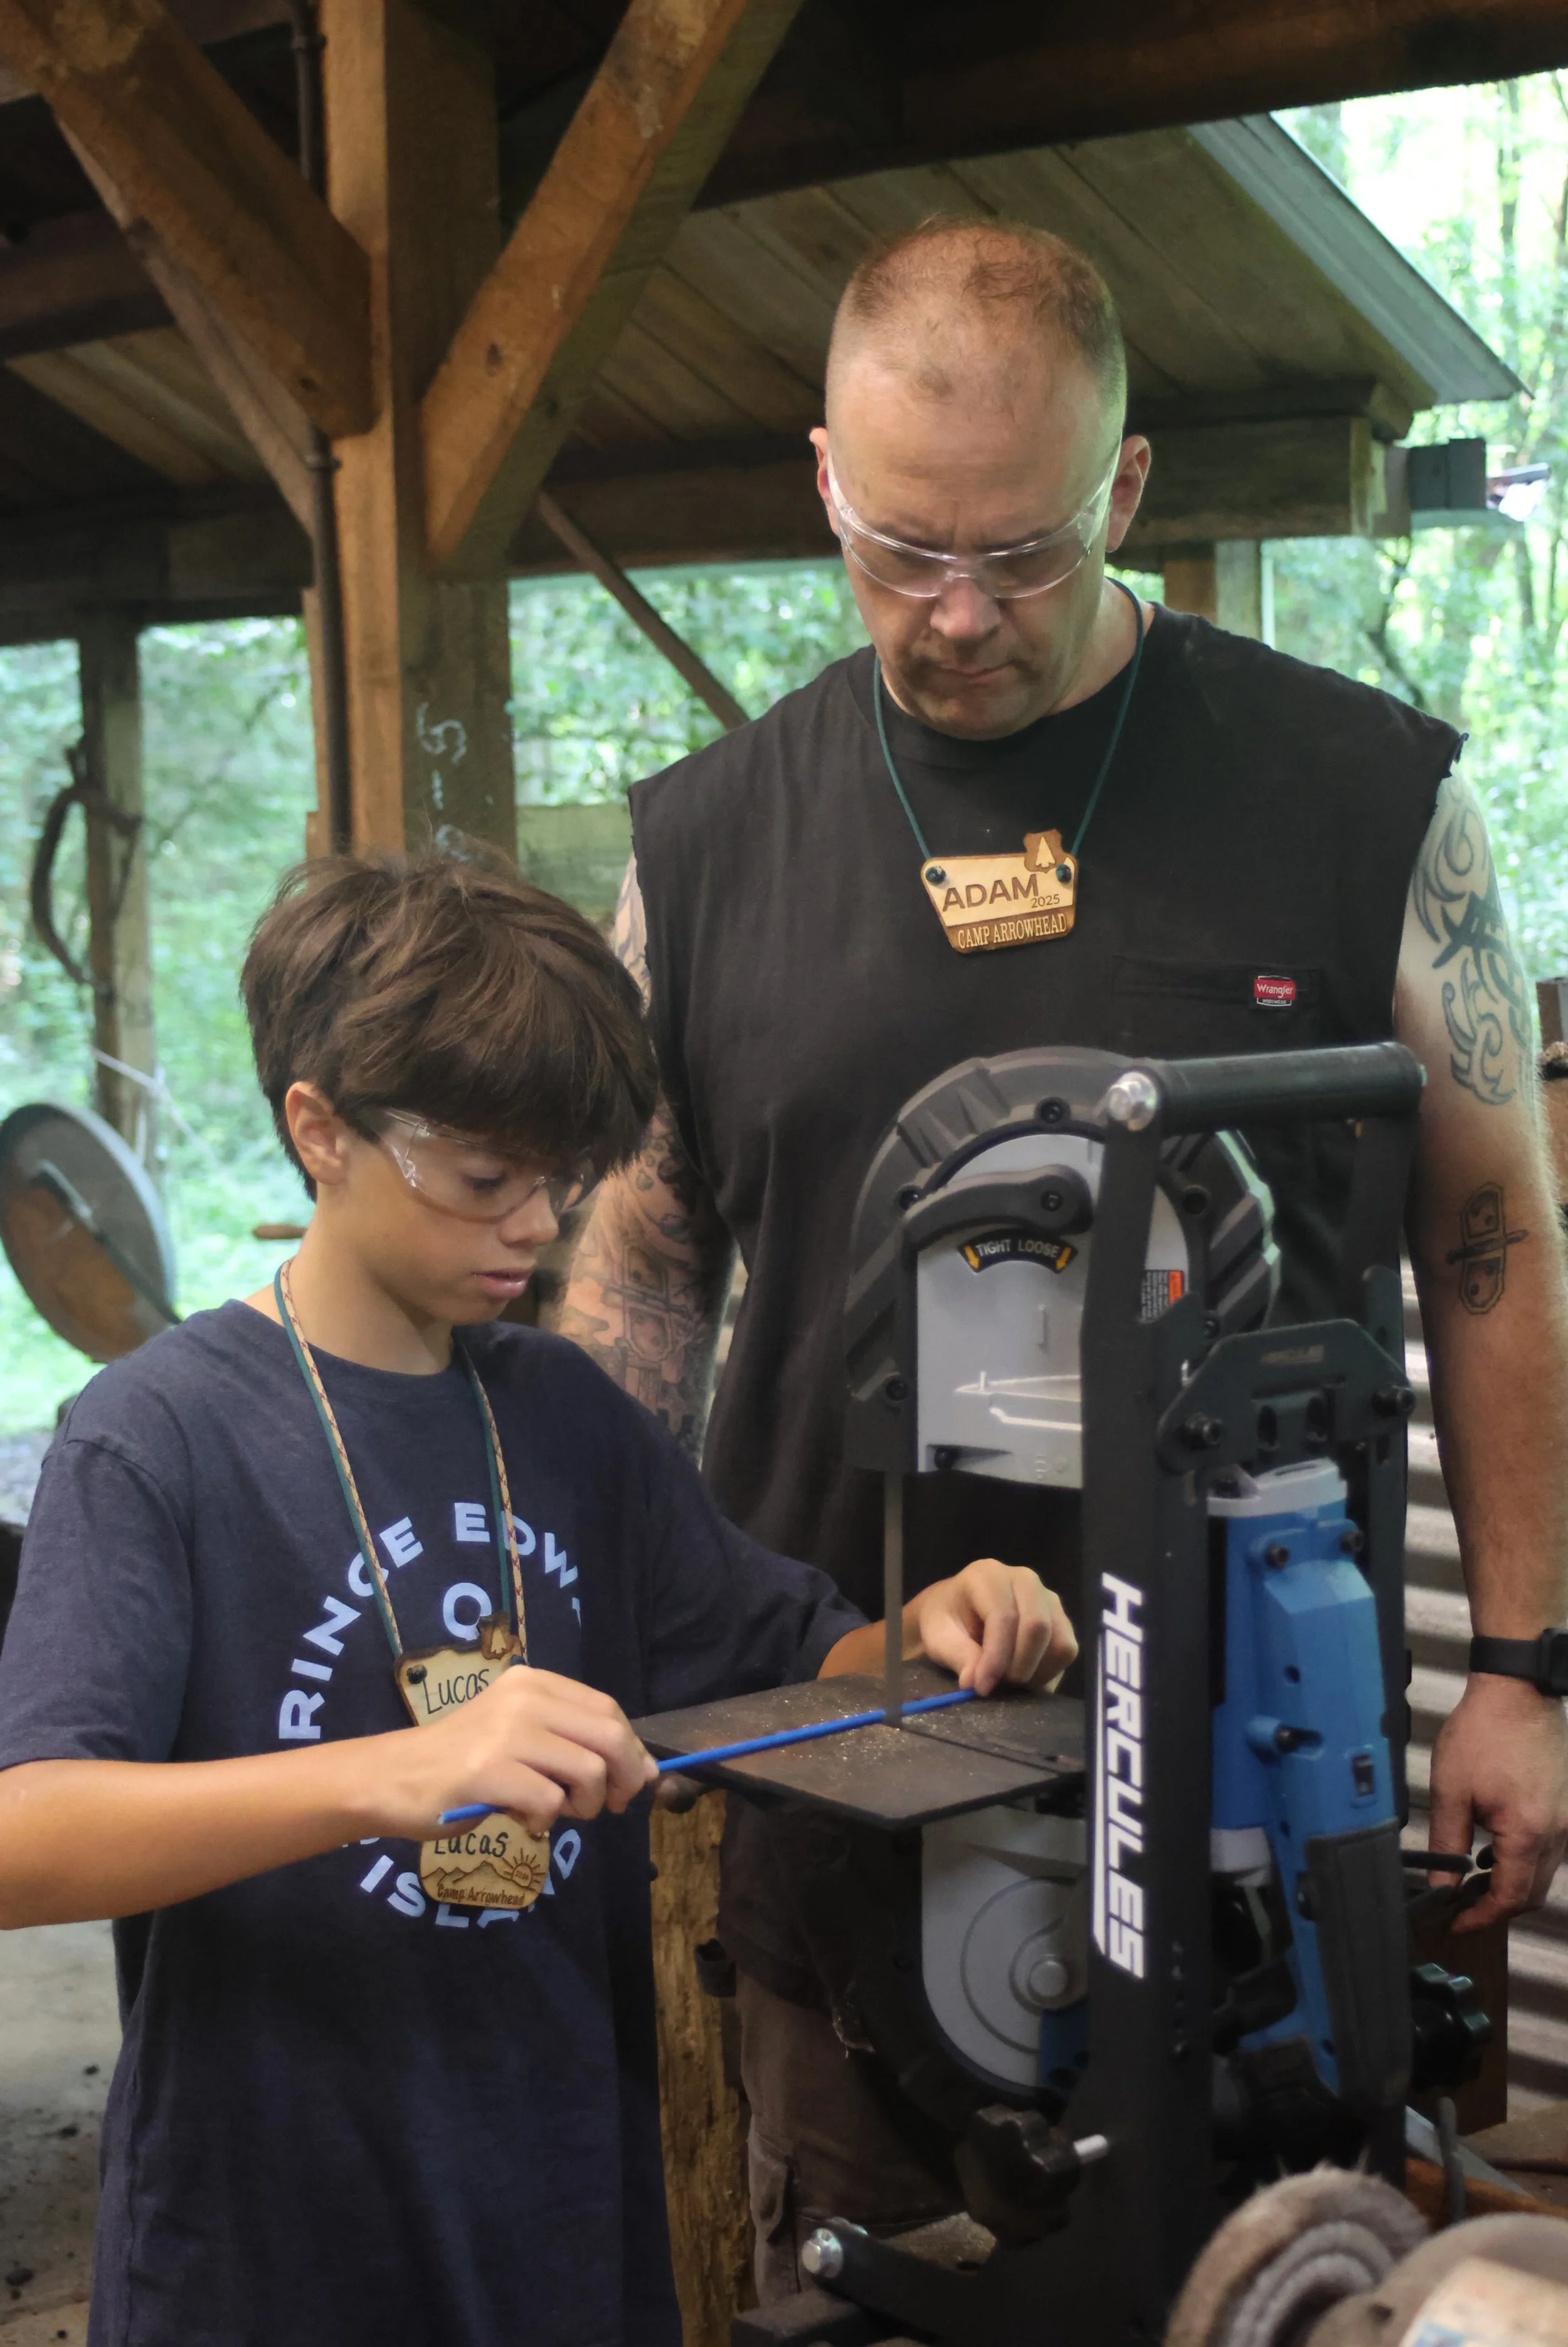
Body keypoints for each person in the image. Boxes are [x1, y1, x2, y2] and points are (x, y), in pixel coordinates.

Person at [558, 215, 1568, 2293]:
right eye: (899, 545)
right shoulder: (705, 848)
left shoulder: (1359, 800)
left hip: (1253, 1800)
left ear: (1124, 488)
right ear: (823, 475)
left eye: (1016, 553)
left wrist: (1529, 1673)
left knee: (1263, 2287)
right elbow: (633, 1278)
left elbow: (1489, 1244)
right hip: (839, 1776)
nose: (951, 615)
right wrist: (585, 1679)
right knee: (850, 2279)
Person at [0, 849, 1073, 2347]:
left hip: (551, 2204)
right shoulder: (158, 1438)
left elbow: (790, 1657)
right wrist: (391, 1776)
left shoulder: (561, 1412)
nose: (536, 1225)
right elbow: (28, 1835)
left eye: (561, 1178)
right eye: (485, 1178)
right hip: (268, 2237)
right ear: (318, 1125)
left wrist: (931, 1626)